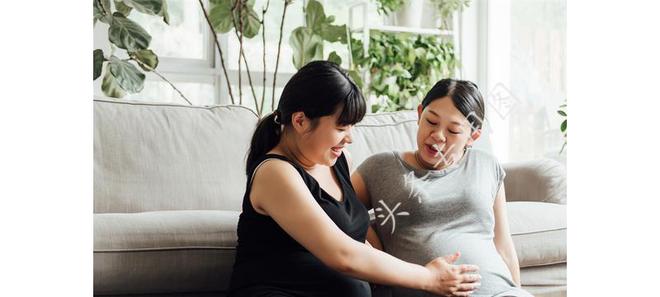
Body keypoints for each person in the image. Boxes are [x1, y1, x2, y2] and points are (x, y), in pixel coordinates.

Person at [227, 62, 481, 297]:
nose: (349, 138)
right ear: (301, 121)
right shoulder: (275, 173)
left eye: (352, 127)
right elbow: (342, 255)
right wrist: (428, 277)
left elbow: (356, 241)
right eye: (341, 127)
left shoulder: (339, 161)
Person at [352, 79, 533, 297]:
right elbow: (338, 213)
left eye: (454, 131)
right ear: (419, 114)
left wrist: (519, 291)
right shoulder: (380, 167)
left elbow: (503, 245)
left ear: (473, 136)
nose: (438, 135)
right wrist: (373, 243)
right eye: (431, 121)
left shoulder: (487, 166)